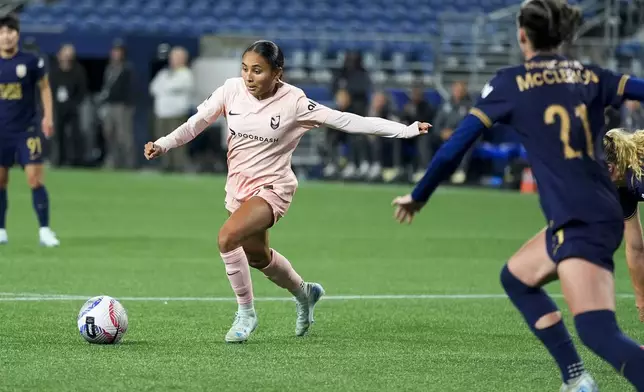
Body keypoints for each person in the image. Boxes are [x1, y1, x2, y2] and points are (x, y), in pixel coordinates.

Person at [391, 0, 644, 390]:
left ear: (522, 35)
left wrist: (419, 194)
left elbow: (457, 145)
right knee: (516, 277)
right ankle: (576, 379)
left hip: (582, 218)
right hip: (591, 210)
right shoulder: (592, 75)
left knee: (597, 332)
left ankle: (580, 379)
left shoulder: (510, 83)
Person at [144, 40, 430, 343]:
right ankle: (305, 293)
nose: (249, 77)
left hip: (272, 188)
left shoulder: (294, 102)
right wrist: (163, 143)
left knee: (227, 238)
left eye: (258, 70)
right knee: (258, 257)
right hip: (238, 187)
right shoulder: (230, 90)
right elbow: (195, 124)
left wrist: (405, 130)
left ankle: (246, 313)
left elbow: (347, 121)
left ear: (277, 73)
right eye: (245, 69)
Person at [0, 13, 59, 247]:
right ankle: (1, 229)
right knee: (1, 181)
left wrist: (48, 116)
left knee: (35, 179)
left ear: (17, 35)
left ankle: (44, 230)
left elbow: (45, 89)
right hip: (1, 132)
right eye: (3, 32)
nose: (6, 37)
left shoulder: (31, 61)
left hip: (27, 129)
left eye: (11, 32)